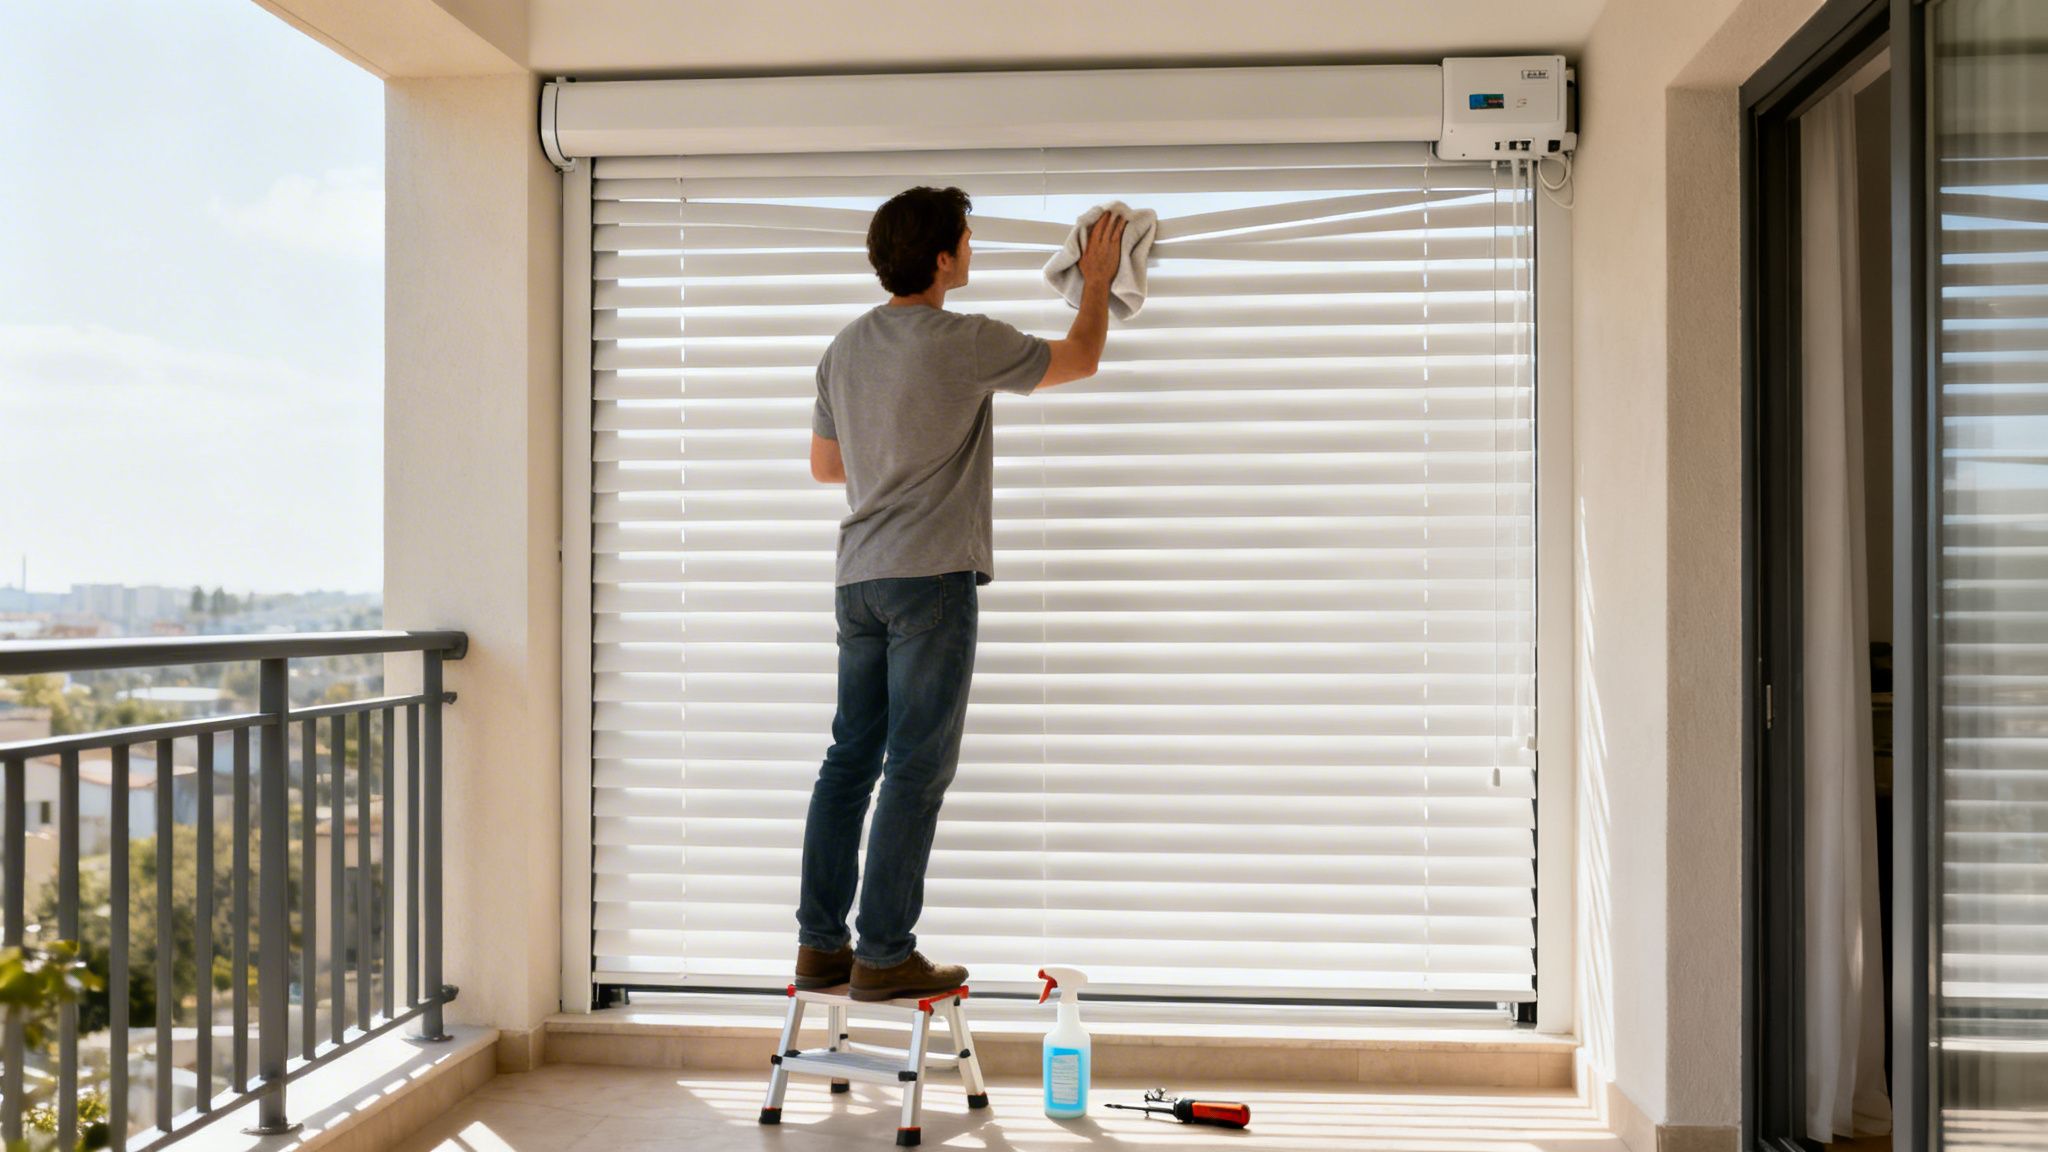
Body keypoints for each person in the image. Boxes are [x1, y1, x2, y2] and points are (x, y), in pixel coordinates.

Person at [795, 187, 1127, 1001]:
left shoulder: (843, 348)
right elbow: (1081, 357)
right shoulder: (964, 341)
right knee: (915, 767)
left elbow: (827, 468)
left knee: (849, 763)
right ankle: (883, 953)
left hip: (859, 579)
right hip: (931, 579)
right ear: (942, 258)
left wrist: (891, 449)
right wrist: (1097, 279)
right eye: (968, 240)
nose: (972, 249)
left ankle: (821, 947)